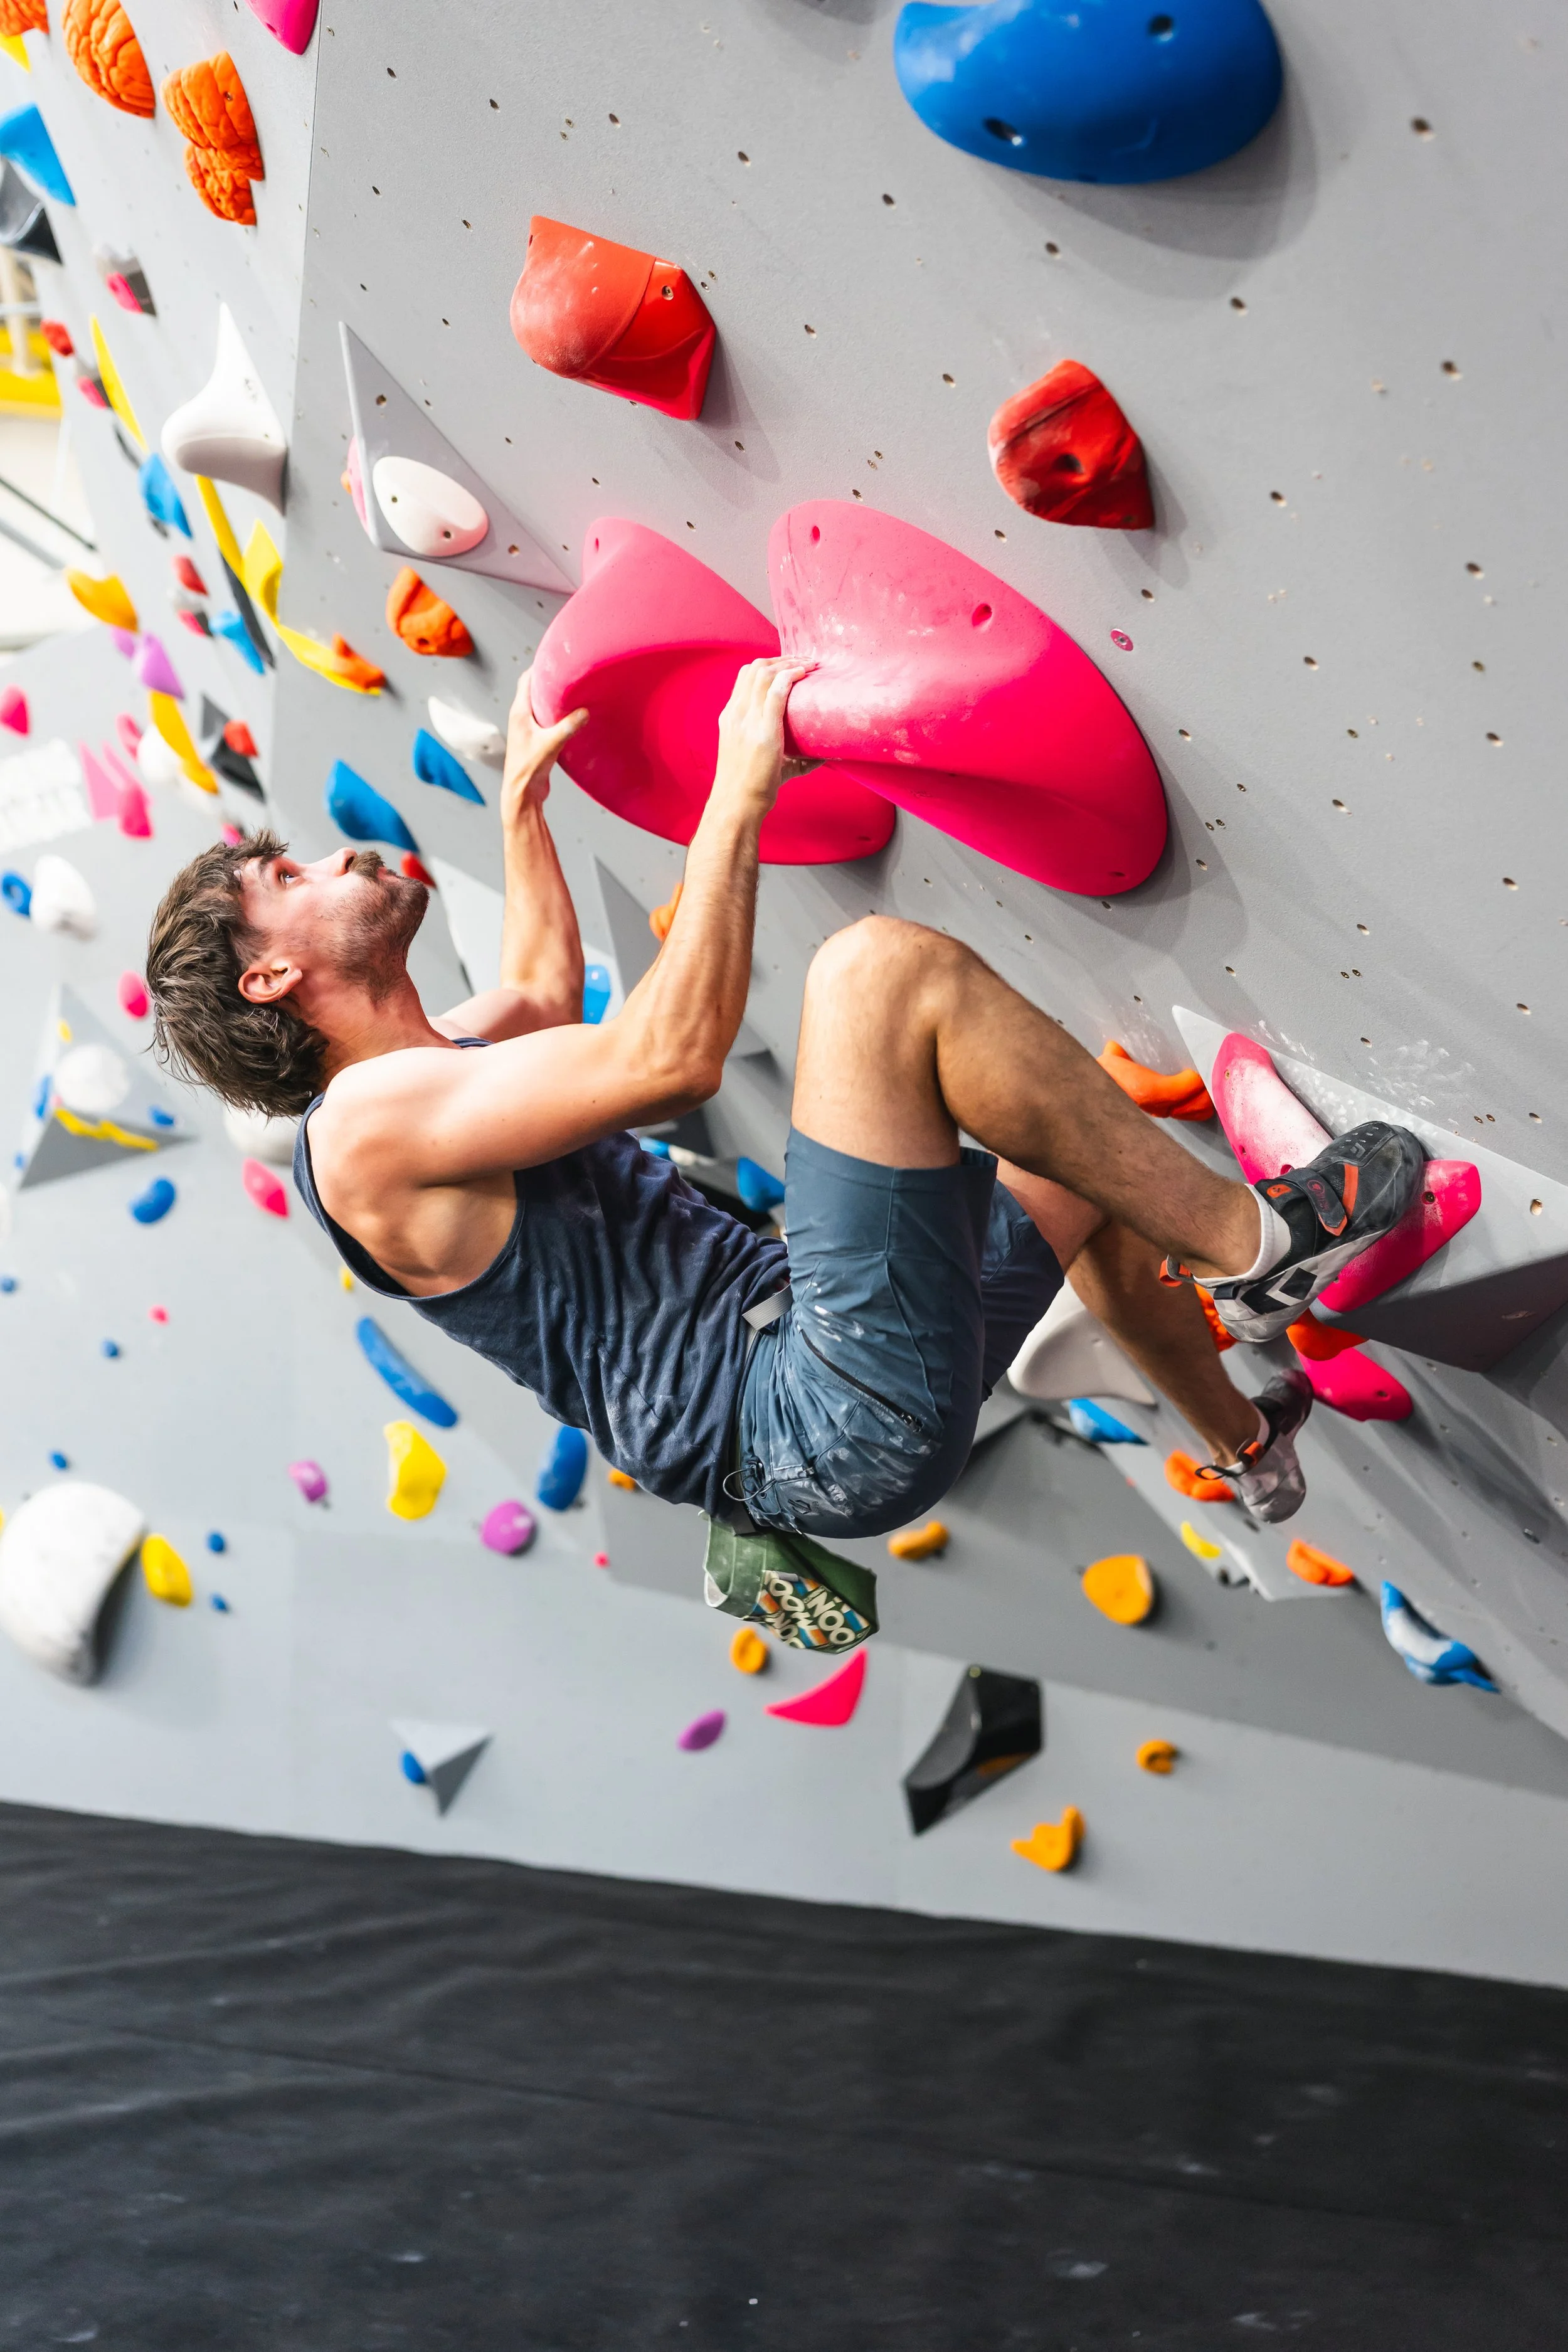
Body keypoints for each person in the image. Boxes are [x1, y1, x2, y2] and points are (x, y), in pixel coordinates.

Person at [145, 659, 1424, 1562]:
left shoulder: (423, 1068)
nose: (332, 861)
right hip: (803, 1406)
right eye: (288, 879)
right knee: (874, 974)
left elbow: (536, 987)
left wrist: (518, 811)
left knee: (1088, 1167)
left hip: (822, 1384)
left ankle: (1245, 1447)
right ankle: (1262, 1253)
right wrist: (738, 790)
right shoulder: (364, 1131)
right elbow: (669, 1059)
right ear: (271, 978)